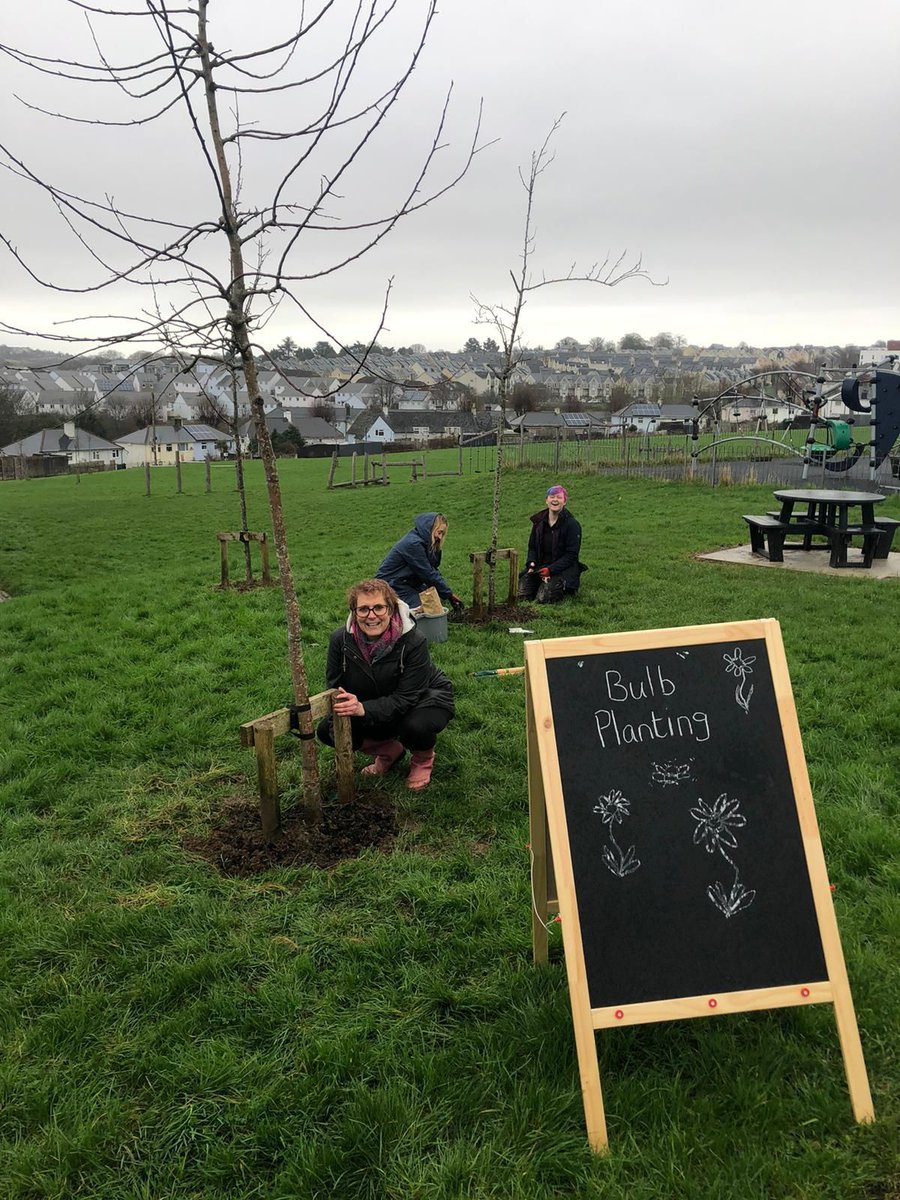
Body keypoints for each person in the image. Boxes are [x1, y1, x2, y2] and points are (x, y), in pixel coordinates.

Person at [316, 578, 455, 790]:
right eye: (363, 609)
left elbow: (407, 698)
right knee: (328, 730)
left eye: (379, 607)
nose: (371, 616)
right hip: (373, 700)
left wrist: (363, 708)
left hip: (422, 698)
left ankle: (422, 758)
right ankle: (389, 750)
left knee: (415, 726)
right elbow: (334, 686)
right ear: (354, 612)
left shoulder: (413, 640)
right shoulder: (340, 641)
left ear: (391, 609)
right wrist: (348, 703)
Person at [375, 512, 464, 610]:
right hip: (389, 585)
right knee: (423, 606)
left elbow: (433, 569)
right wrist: (449, 594)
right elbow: (427, 573)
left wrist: (446, 593)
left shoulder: (423, 542)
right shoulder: (413, 544)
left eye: (442, 534)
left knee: (433, 598)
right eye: (439, 532)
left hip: (404, 582)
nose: (440, 537)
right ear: (430, 528)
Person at [517, 484, 587, 603]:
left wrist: (550, 570)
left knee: (544, 598)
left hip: (562, 569)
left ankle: (560, 586)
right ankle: (539, 583)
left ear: (564, 501)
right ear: (547, 500)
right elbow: (532, 547)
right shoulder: (538, 523)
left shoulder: (572, 525)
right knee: (523, 595)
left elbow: (571, 555)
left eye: (559, 497)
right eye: (552, 496)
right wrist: (531, 564)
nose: (555, 500)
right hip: (540, 566)